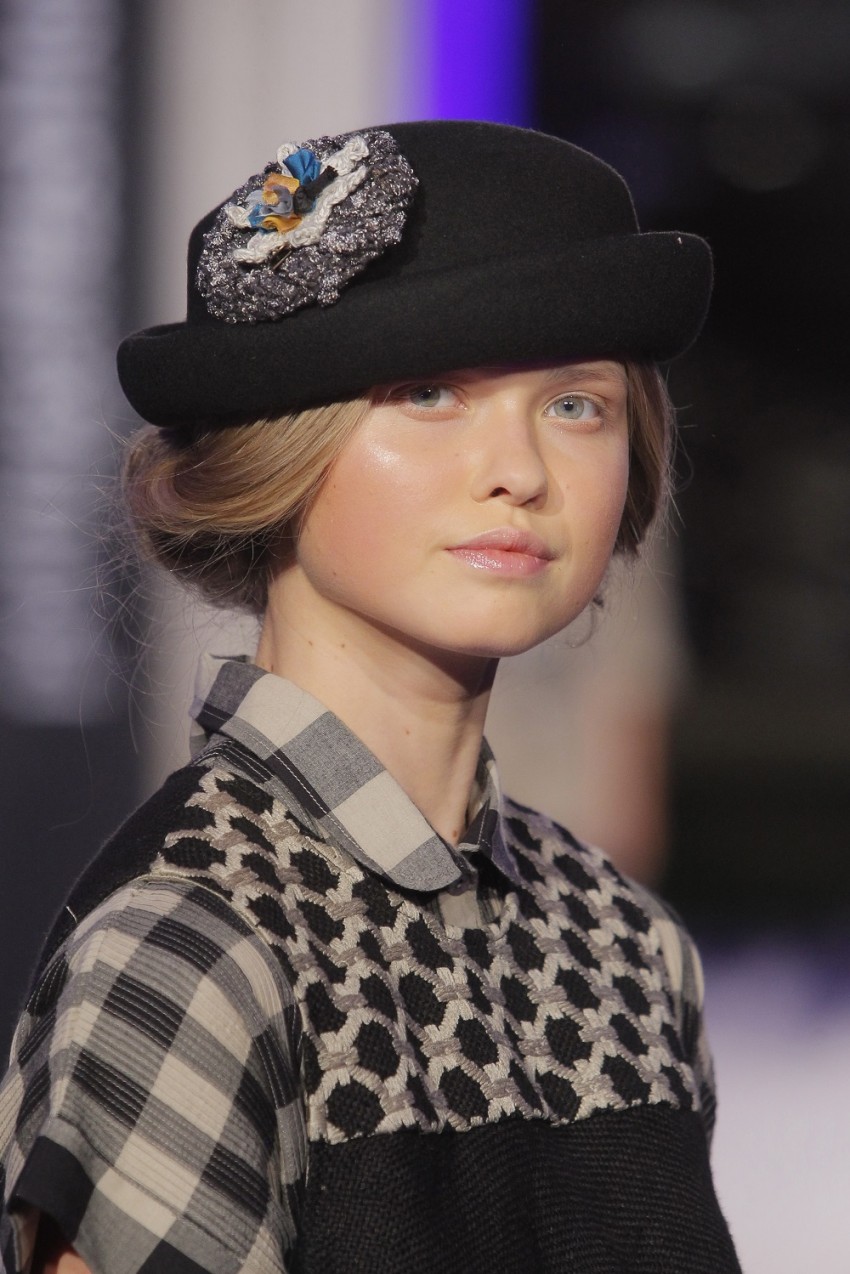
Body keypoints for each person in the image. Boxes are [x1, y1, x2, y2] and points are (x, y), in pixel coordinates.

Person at [0, 121, 741, 1273]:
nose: (521, 471)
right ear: (278, 449)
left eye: (576, 404)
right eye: (429, 390)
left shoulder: (624, 944)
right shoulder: (190, 955)